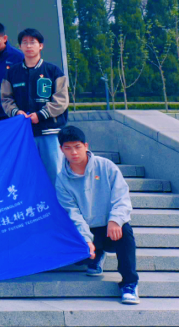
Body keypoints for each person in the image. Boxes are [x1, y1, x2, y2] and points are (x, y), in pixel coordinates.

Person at [55, 126, 138, 305]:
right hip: (87, 229)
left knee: (126, 231)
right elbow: (72, 213)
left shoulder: (105, 166)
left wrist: (115, 220)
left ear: (86, 146)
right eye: (68, 148)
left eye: (77, 147)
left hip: (109, 227)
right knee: (79, 256)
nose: (73, 152)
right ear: (61, 149)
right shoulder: (62, 179)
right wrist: (86, 239)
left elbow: (121, 196)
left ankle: (129, 283)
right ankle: (97, 254)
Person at [0, 28, 70, 177]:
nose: (28, 46)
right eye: (24, 42)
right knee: (25, 175)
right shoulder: (12, 73)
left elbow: (62, 100)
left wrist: (41, 115)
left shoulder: (53, 71)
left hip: (50, 133)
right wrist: (16, 112)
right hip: (24, 133)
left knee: (54, 174)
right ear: (20, 46)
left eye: (33, 42)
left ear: (41, 46)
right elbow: (6, 99)